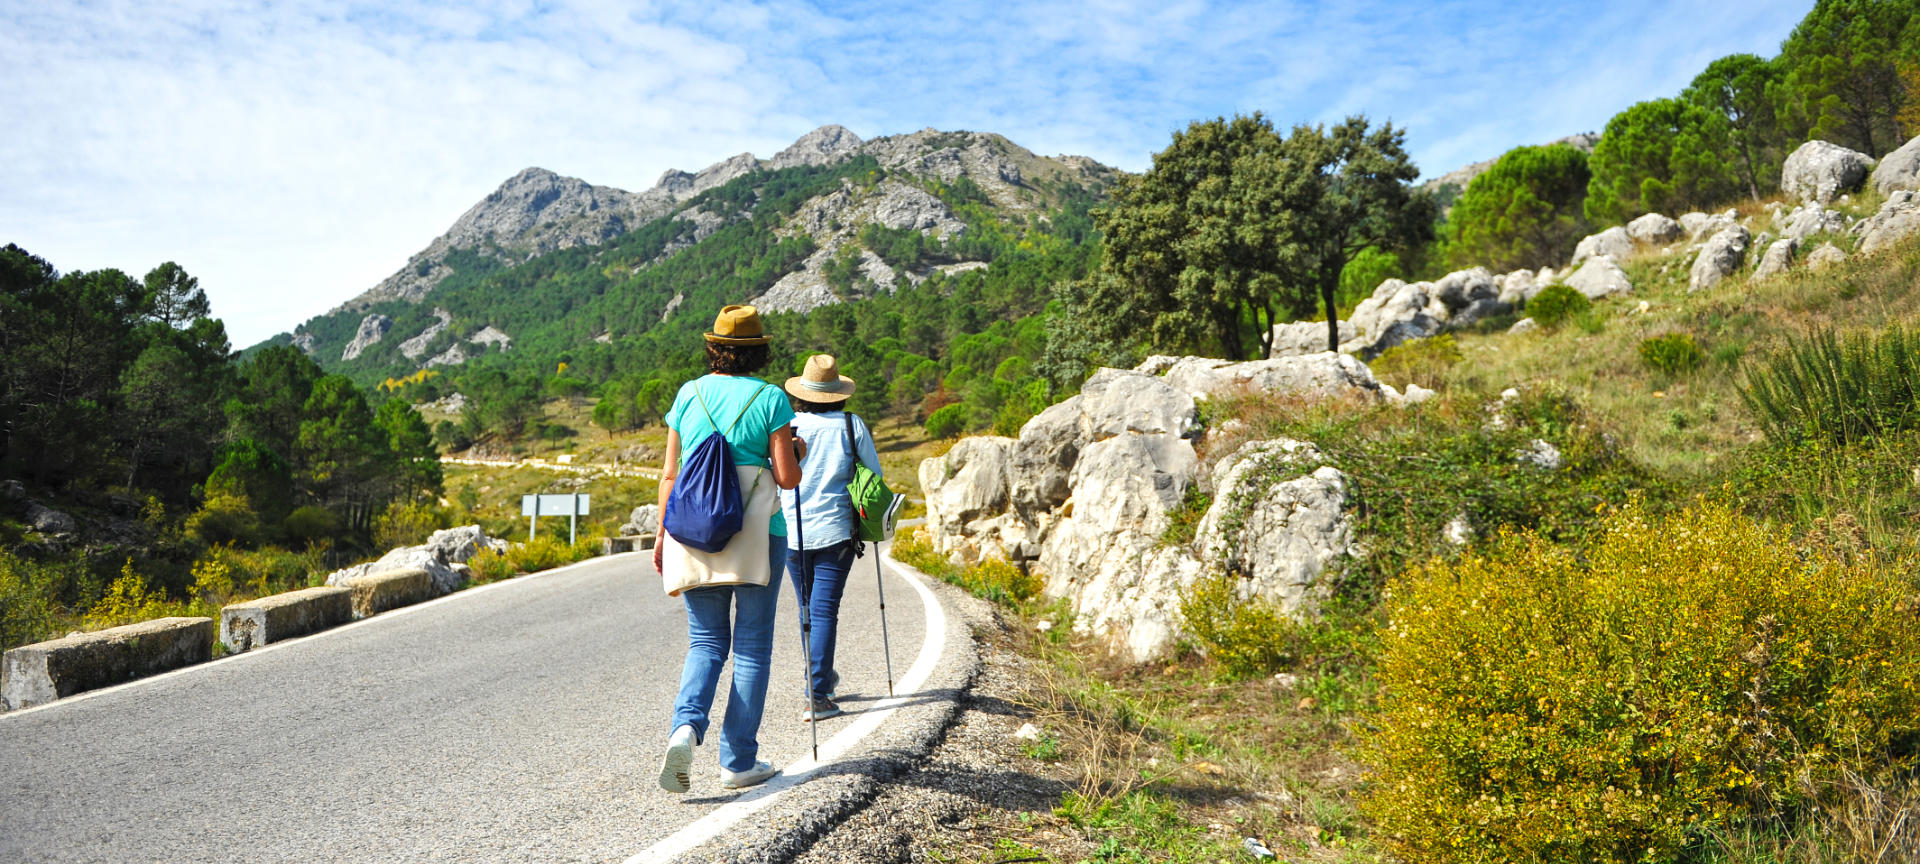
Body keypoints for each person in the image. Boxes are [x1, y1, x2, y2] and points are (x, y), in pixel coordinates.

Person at [652, 305, 802, 794]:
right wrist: (796, 451)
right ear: (759, 351)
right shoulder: (771, 398)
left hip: (692, 529)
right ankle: (738, 760)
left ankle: (684, 729)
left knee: (706, 642)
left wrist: (660, 535)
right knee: (753, 648)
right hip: (758, 534)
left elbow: (671, 474)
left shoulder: (688, 393)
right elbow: (786, 478)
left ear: (714, 347)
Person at [779, 354, 883, 722]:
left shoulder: (787, 426)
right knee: (823, 612)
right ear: (838, 393)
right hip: (836, 532)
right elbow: (874, 475)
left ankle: (820, 677)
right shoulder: (851, 425)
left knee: (807, 610)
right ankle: (817, 695)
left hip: (791, 532)